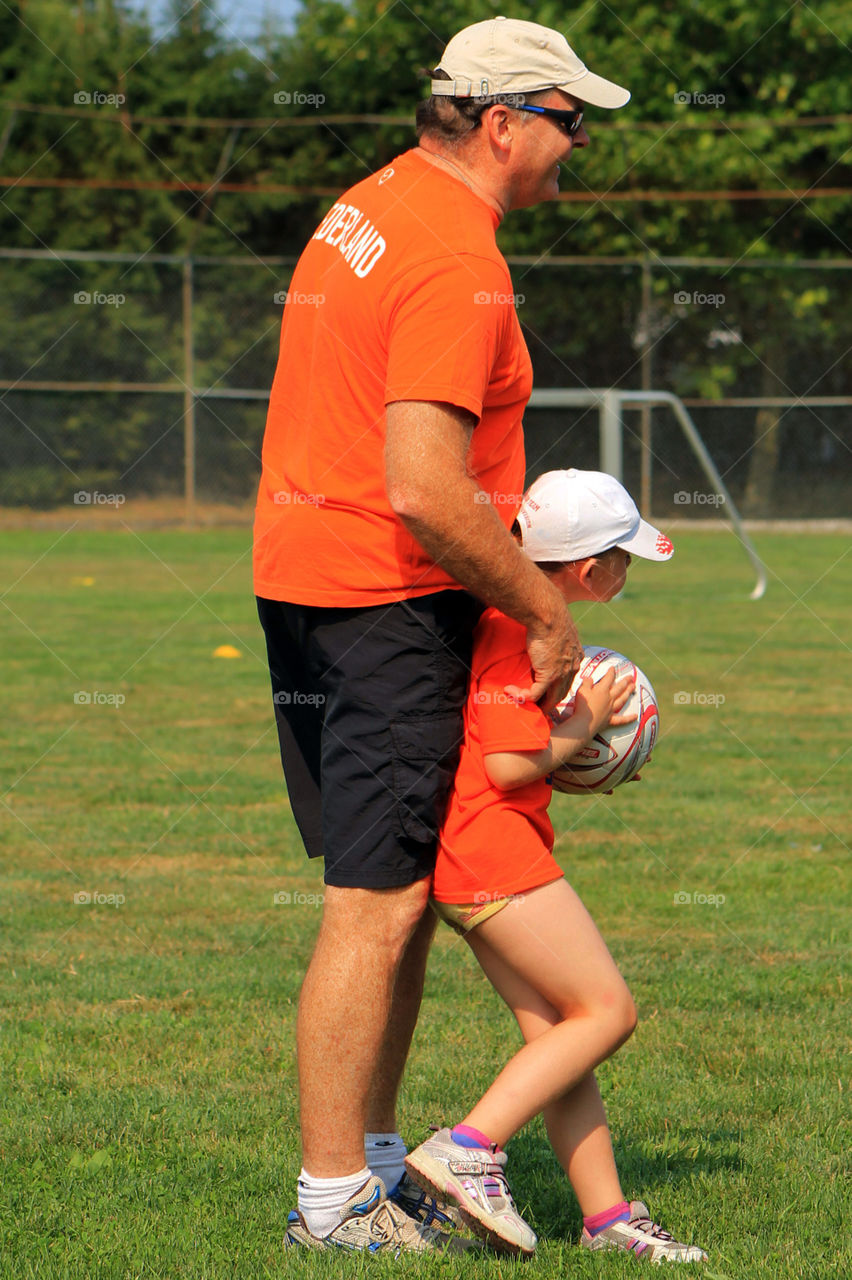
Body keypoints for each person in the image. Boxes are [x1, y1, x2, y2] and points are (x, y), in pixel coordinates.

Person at [253, 16, 631, 1255]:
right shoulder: (453, 250)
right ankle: (332, 1205)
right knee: (375, 901)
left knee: (398, 891)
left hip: (307, 576)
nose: (580, 145)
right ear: (502, 122)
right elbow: (422, 482)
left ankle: (370, 1164)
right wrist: (544, 607)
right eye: (571, 121)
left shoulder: (372, 199)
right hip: (385, 597)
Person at [405, 469, 708, 1264]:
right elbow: (509, 765)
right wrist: (589, 725)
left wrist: (576, 745)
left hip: (475, 853)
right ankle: (468, 1149)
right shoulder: (523, 627)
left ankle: (607, 1220)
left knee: (561, 1038)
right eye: (624, 556)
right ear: (588, 570)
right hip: (493, 850)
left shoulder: (511, 615)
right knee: (608, 1012)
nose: (629, 569)